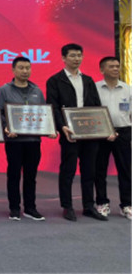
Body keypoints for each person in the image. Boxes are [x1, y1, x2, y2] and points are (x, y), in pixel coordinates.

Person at [46, 43, 106, 221]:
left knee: (89, 171)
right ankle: (67, 206)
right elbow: (53, 106)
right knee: (68, 170)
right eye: (72, 55)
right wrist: (61, 127)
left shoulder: (88, 80)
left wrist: (101, 127)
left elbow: (96, 105)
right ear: (63, 58)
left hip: (89, 133)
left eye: (79, 55)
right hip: (69, 133)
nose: (76, 59)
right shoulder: (55, 80)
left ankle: (88, 206)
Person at [0, 56, 54, 221]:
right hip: (14, 140)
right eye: (21, 68)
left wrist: (49, 129)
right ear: (13, 70)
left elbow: (43, 114)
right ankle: (14, 208)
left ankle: (30, 208)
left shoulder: (37, 91)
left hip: (33, 141)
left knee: (31, 176)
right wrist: (6, 127)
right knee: (14, 175)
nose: (25, 71)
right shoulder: (4, 90)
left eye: (28, 68)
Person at [94, 56, 131, 220]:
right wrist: (104, 129)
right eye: (111, 66)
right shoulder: (94, 88)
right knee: (99, 169)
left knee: (125, 170)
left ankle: (127, 204)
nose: (116, 69)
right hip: (101, 133)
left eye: (117, 66)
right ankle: (102, 202)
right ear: (102, 69)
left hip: (123, 132)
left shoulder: (128, 89)